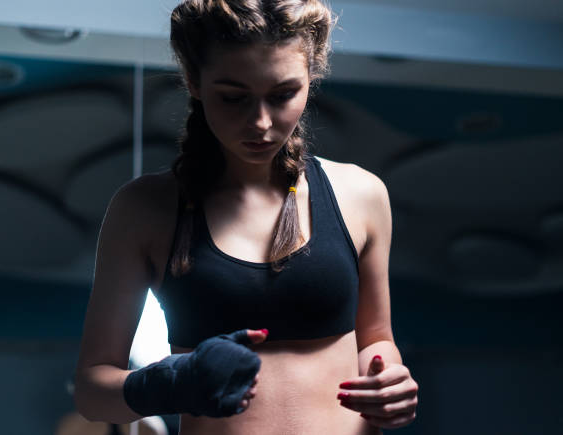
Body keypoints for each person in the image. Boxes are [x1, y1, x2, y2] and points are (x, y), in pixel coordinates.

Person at [74, 0, 419, 433]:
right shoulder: (143, 209)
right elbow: (91, 392)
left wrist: (389, 380)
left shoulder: (362, 194)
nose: (260, 122)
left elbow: (377, 340)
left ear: (311, 77)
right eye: (234, 98)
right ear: (193, 82)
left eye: (282, 95)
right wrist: (170, 384)